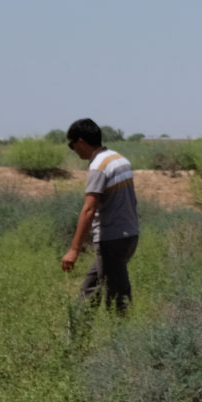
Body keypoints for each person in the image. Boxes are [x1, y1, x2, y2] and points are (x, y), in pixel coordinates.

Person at [61, 118, 140, 312]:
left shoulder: (98, 167)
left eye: (72, 146)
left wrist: (74, 250)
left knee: (117, 300)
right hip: (129, 234)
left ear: (80, 142)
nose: (73, 150)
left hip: (112, 239)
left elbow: (89, 209)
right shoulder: (119, 159)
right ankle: (76, 338)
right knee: (91, 290)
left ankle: (125, 340)